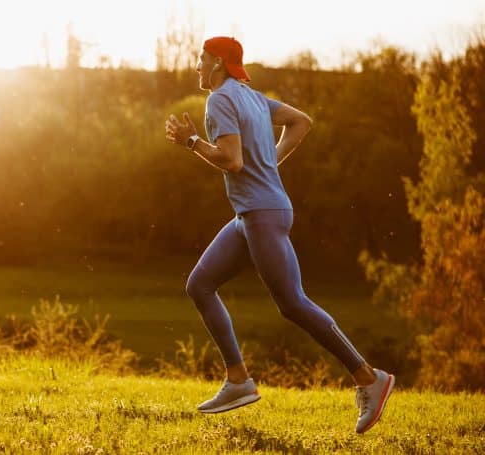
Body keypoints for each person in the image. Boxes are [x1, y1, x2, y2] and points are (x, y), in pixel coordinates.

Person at [164, 36, 394, 434]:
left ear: (217, 62)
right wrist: (269, 163)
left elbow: (232, 161)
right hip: (255, 213)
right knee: (200, 284)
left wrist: (191, 142)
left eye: (201, 58)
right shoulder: (252, 97)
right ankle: (238, 380)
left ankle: (369, 378)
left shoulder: (219, 100)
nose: (196, 65)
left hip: (261, 214)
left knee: (292, 303)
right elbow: (301, 121)